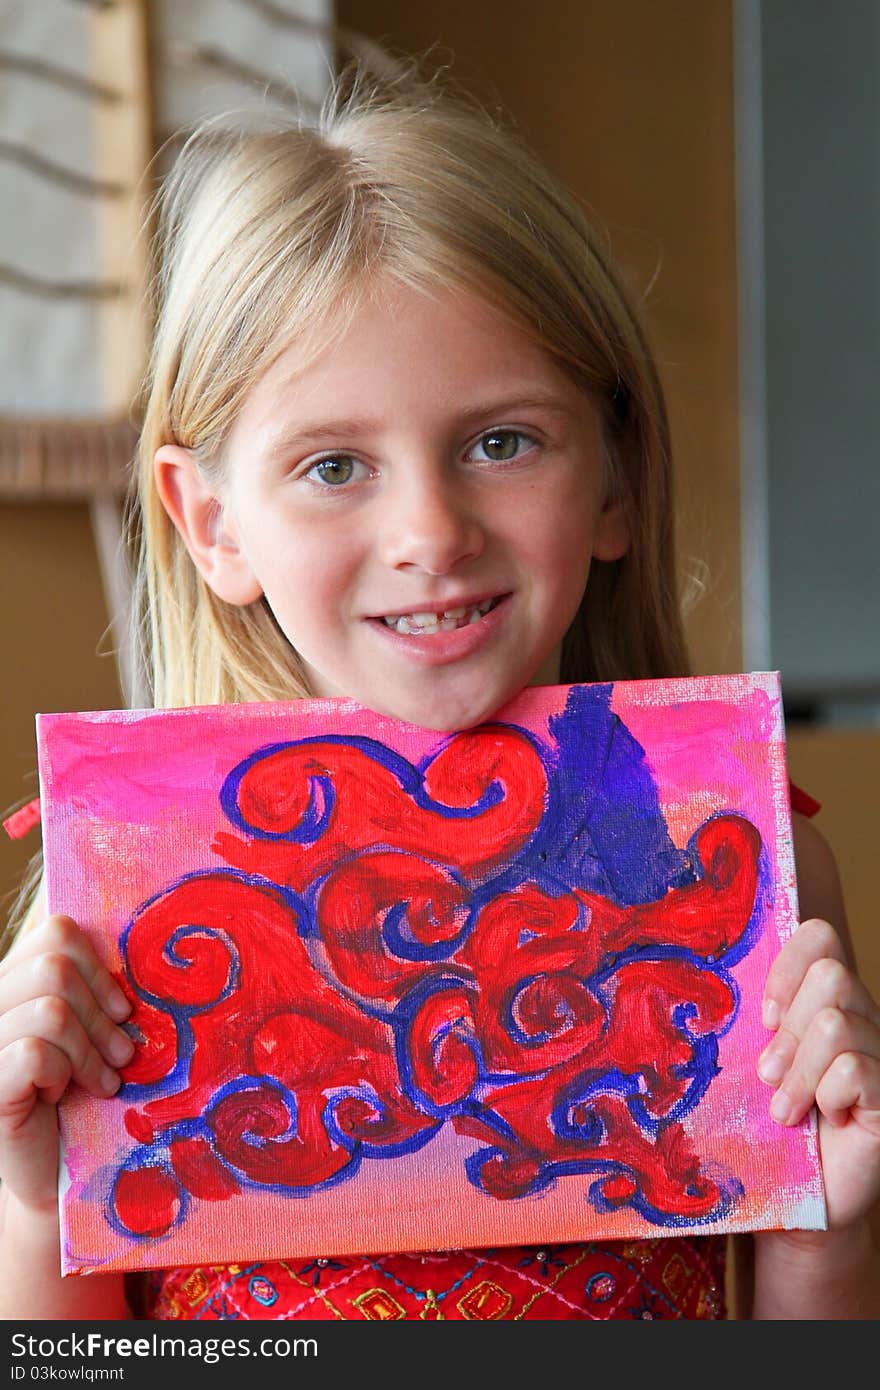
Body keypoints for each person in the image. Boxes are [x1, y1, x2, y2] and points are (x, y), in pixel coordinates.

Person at [1, 66, 878, 1322]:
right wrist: (40, 1206)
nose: (429, 530)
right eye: (335, 464)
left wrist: (828, 1231)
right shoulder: (108, 927)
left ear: (616, 480)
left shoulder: (752, 870)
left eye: (500, 442)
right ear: (212, 525)